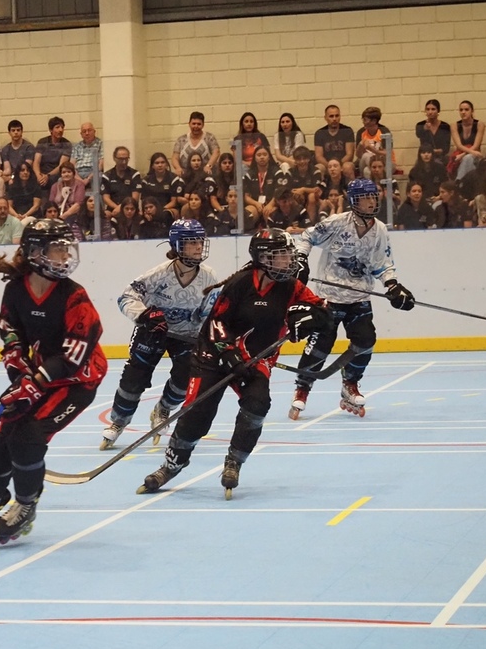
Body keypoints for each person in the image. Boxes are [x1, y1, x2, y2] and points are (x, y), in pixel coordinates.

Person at [0, 219, 107, 544]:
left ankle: (25, 504)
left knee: (28, 436)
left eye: (66, 248)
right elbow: (11, 339)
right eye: (57, 249)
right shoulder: (16, 290)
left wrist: (34, 382)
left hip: (77, 381)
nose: (65, 255)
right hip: (38, 376)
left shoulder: (75, 297)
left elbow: (73, 356)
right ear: (35, 252)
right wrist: (20, 379)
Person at [141, 227, 331, 498]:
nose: (288, 261)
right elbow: (216, 322)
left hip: (255, 359)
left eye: (288, 255)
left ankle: (234, 461)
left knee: (257, 404)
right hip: (213, 354)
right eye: (280, 256)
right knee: (198, 413)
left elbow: (323, 310)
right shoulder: (241, 283)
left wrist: (313, 318)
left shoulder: (290, 286)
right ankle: (172, 464)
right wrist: (229, 354)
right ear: (263, 258)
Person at [288, 179, 416, 421]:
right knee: (320, 345)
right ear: (354, 200)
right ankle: (302, 389)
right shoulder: (337, 223)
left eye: (374, 197)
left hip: (359, 297)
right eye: (366, 197)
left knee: (366, 341)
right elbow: (306, 236)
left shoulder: (379, 229)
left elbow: (383, 263)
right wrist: (301, 260)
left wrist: (393, 285)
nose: (372, 201)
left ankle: (350, 384)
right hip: (329, 296)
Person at [101, 219, 218, 450]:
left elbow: (209, 312)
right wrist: (145, 315)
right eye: (191, 242)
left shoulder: (209, 278)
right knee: (134, 377)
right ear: (177, 246)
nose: (198, 247)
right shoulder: (158, 275)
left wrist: (210, 338)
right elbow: (126, 297)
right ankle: (118, 422)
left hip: (186, 334)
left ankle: (163, 408)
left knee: (186, 374)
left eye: (200, 241)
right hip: (153, 332)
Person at [172, 111, 221, 176]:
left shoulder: (210, 138)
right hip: (186, 176)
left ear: (203, 125)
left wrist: (208, 166)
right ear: (189, 124)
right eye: (194, 123)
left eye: (199, 124)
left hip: (206, 176)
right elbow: (175, 157)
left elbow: (216, 152)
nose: (196, 126)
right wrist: (178, 168)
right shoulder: (181, 140)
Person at [314, 104, 355, 179]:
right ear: (325, 118)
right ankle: (320, 190)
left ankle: (350, 189)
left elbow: (349, 154)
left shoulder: (347, 131)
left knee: (348, 166)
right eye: (331, 116)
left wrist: (337, 166)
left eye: (337, 116)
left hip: (343, 163)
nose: (334, 119)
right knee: (318, 168)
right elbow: (319, 156)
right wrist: (330, 166)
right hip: (326, 164)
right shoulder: (319, 133)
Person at [138, 152, 183, 219]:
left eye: (162, 162)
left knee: (165, 215)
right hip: (150, 209)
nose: (160, 165)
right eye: (157, 163)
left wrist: (159, 210)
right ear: (152, 166)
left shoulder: (173, 179)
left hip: (168, 208)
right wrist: (147, 210)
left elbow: (174, 202)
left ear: (167, 164)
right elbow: (143, 200)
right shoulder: (146, 180)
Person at [450, 100, 485, 184]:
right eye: (461, 110)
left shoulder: (480, 124)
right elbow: (459, 145)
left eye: (466, 109)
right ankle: (466, 184)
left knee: (468, 158)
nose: (463, 112)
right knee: (467, 159)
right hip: (460, 153)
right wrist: (463, 154)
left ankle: (459, 182)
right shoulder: (454, 125)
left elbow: (476, 145)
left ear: (472, 111)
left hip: (474, 155)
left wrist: (462, 155)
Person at [101, 146, 141, 218]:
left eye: (126, 159)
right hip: (113, 209)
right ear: (114, 158)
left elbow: (135, 197)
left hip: (130, 208)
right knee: (105, 215)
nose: (124, 162)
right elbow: (106, 198)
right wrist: (117, 208)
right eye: (121, 159)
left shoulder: (134, 174)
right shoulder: (107, 175)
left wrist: (122, 208)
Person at [33, 116, 72, 189]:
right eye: (57, 127)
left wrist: (47, 176)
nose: (60, 130)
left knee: (53, 180)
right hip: (42, 172)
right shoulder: (42, 142)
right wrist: (38, 175)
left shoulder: (67, 144)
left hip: (56, 173)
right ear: (51, 130)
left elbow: (61, 165)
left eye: (62, 127)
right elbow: (36, 162)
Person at [415, 98, 451, 166]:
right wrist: (424, 128)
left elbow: (446, 148)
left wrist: (436, 151)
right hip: (425, 157)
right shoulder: (420, 125)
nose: (430, 112)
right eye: (428, 109)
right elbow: (418, 134)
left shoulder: (445, 126)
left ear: (438, 111)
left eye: (433, 109)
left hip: (441, 157)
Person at [0, 119, 35, 184]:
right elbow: (8, 170)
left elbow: (26, 168)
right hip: (11, 178)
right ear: (9, 133)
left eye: (18, 130)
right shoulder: (5, 149)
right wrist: (0, 173)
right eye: (13, 130)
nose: (16, 132)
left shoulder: (29, 147)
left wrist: (12, 178)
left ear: (22, 132)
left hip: (25, 177)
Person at [69, 122, 103, 187]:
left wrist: (88, 178)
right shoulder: (77, 146)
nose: (87, 133)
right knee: (61, 179)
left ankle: (93, 197)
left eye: (89, 130)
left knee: (100, 176)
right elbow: (71, 165)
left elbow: (101, 165)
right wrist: (78, 178)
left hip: (93, 171)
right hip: (78, 172)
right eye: (84, 131)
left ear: (94, 131)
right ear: (81, 134)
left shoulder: (100, 144)